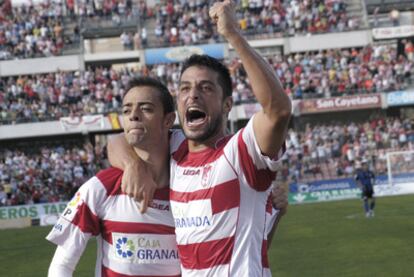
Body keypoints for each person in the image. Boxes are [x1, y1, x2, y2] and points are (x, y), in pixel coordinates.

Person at [108, 0, 292, 275]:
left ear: (227, 104)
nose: (192, 95)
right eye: (184, 88)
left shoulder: (240, 152)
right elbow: (120, 140)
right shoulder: (174, 146)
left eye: (205, 88)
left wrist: (233, 35)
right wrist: (133, 165)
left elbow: (278, 111)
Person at [46, 77, 181, 276]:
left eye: (146, 109)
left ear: (168, 120)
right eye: (126, 110)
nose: (134, 115)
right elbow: (62, 266)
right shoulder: (100, 187)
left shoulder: (191, 183)